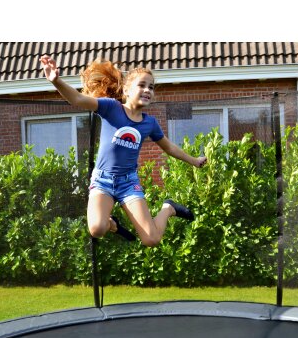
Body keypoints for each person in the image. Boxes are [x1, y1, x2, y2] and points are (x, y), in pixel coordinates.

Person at [39, 54, 207, 247]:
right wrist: (56, 81)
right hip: (103, 180)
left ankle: (168, 208)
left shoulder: (149, 123)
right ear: (126, 89)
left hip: (128, 183)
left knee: (152, 239)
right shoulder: (111, 107)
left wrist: (194, 160)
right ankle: (112, 225)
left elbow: (169, 147)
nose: (147, 90)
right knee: (97, 229)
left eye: (151, 87)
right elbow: (77, 99)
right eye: (142, 85)